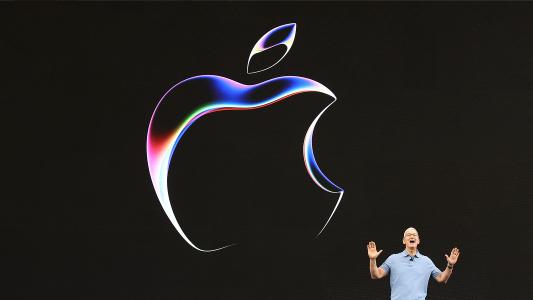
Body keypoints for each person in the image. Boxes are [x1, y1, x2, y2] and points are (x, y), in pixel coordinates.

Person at [367, 227, 460, 300]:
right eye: (408, 235)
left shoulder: (426, 261)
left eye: (414, 235)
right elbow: (376, 275)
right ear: (404, 241)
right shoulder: (393, 259)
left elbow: (442, 278)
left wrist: (450, 265)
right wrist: (372, 259)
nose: (411, 236)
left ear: (418, 240)